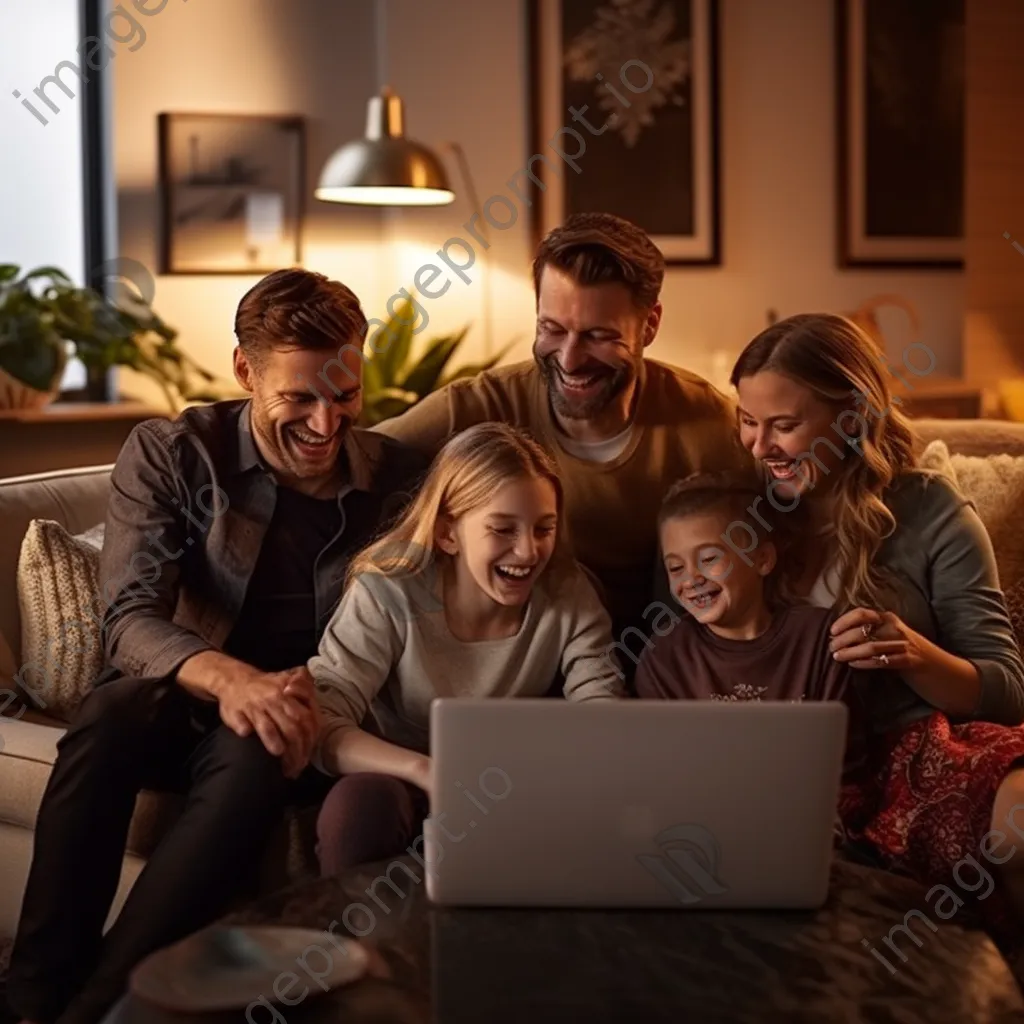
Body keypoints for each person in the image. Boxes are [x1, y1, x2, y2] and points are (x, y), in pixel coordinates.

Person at [7, 269, 427, 1024]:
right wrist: (236, 682)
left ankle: (102, 1006)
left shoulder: (397, 478)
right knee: (108, 716)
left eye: (346, 396)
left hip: (296, 721)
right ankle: (34, 995)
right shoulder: (175, 452)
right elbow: (130, 617)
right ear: (245, 371)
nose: (327, 425)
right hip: (179, 696)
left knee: (255, 750)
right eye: (298, 398)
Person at [730, 311, 1024, 940]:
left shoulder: (929, 509)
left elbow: (1005, 689)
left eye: (785, 426)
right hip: (782, 761)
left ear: (852, 417)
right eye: (748, 423)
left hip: (916, 753)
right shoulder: (737, 511)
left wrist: (912, 654)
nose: (760, 448)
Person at [375, 212, 749, 654]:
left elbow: (801, 520)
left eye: (597, 336)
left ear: (649, 325)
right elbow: (353, 458)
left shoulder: (709, 421)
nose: (570, 360)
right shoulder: (478, 405)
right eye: (551, 329)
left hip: (665, 665)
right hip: (519, 666)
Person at [308, 422, 625, 875]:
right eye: (502, 529)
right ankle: (354, 944)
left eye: (544, 528)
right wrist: (425, 772)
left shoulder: (568, 594)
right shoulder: (388, 591)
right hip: (399, 777)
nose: (528, 551)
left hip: (510, 786)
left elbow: (604, 713)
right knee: (357, 805)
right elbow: (321, 718)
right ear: (447, 533)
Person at [634, 471, 868, 774]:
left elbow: (848, 761)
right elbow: (663, 770)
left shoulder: (821, 639)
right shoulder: (663, 661)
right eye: (676, 567)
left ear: (762, 559)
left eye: (709, 559)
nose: (691, 579)